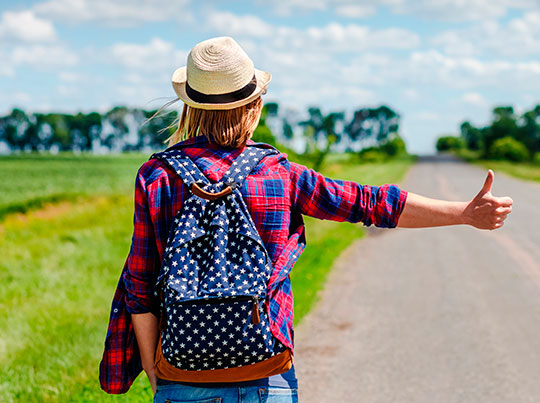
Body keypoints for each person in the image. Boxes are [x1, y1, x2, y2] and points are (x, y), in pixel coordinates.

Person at [99, 36, 513, 402]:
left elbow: (140, 285)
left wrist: (156, 374)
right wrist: (465, 213)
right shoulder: (279, 174)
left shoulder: (156, 177)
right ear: (255, 105)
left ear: (190, 106)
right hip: (267, 374)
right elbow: (368, 203)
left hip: (183, 375)